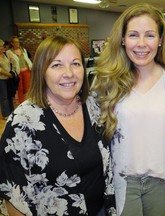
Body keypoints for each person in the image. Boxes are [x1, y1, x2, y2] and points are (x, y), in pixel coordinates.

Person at [0, 35, 116, 216]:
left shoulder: (94, 107)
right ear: (41, 71)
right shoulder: (22, 123)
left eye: (76, 63)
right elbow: (14, 198)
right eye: (57, 65)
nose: (69, 73)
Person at [90, 3, 165, 216]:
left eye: (150, 35)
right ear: (123, 39)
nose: (141, 44)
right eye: (133, 35)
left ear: (161, 40)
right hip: (122, 180)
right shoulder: (106, 80)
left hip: (161, 181)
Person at [6, 36, 33, 104]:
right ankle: (21, 103)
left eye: (18, 42)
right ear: (12, 43)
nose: (18, 43)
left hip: (27, 71)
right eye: (15, 42)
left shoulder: (23, 50)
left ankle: (28, 102)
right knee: (20, 88)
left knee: (27, 88)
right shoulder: (9, 52)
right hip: (17, 73)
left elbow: (27, 59)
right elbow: (8, 63)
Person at [0, 39, 14, 120]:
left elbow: (9, 65)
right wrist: (8, 74)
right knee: (4, 97)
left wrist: (11, 62)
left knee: (9, 96)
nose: (2, 48)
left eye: (2, 46)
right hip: (1, 79)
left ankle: (11, 112)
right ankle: (5, 114)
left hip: (8, 79)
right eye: (0, 46)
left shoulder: (4, 54)